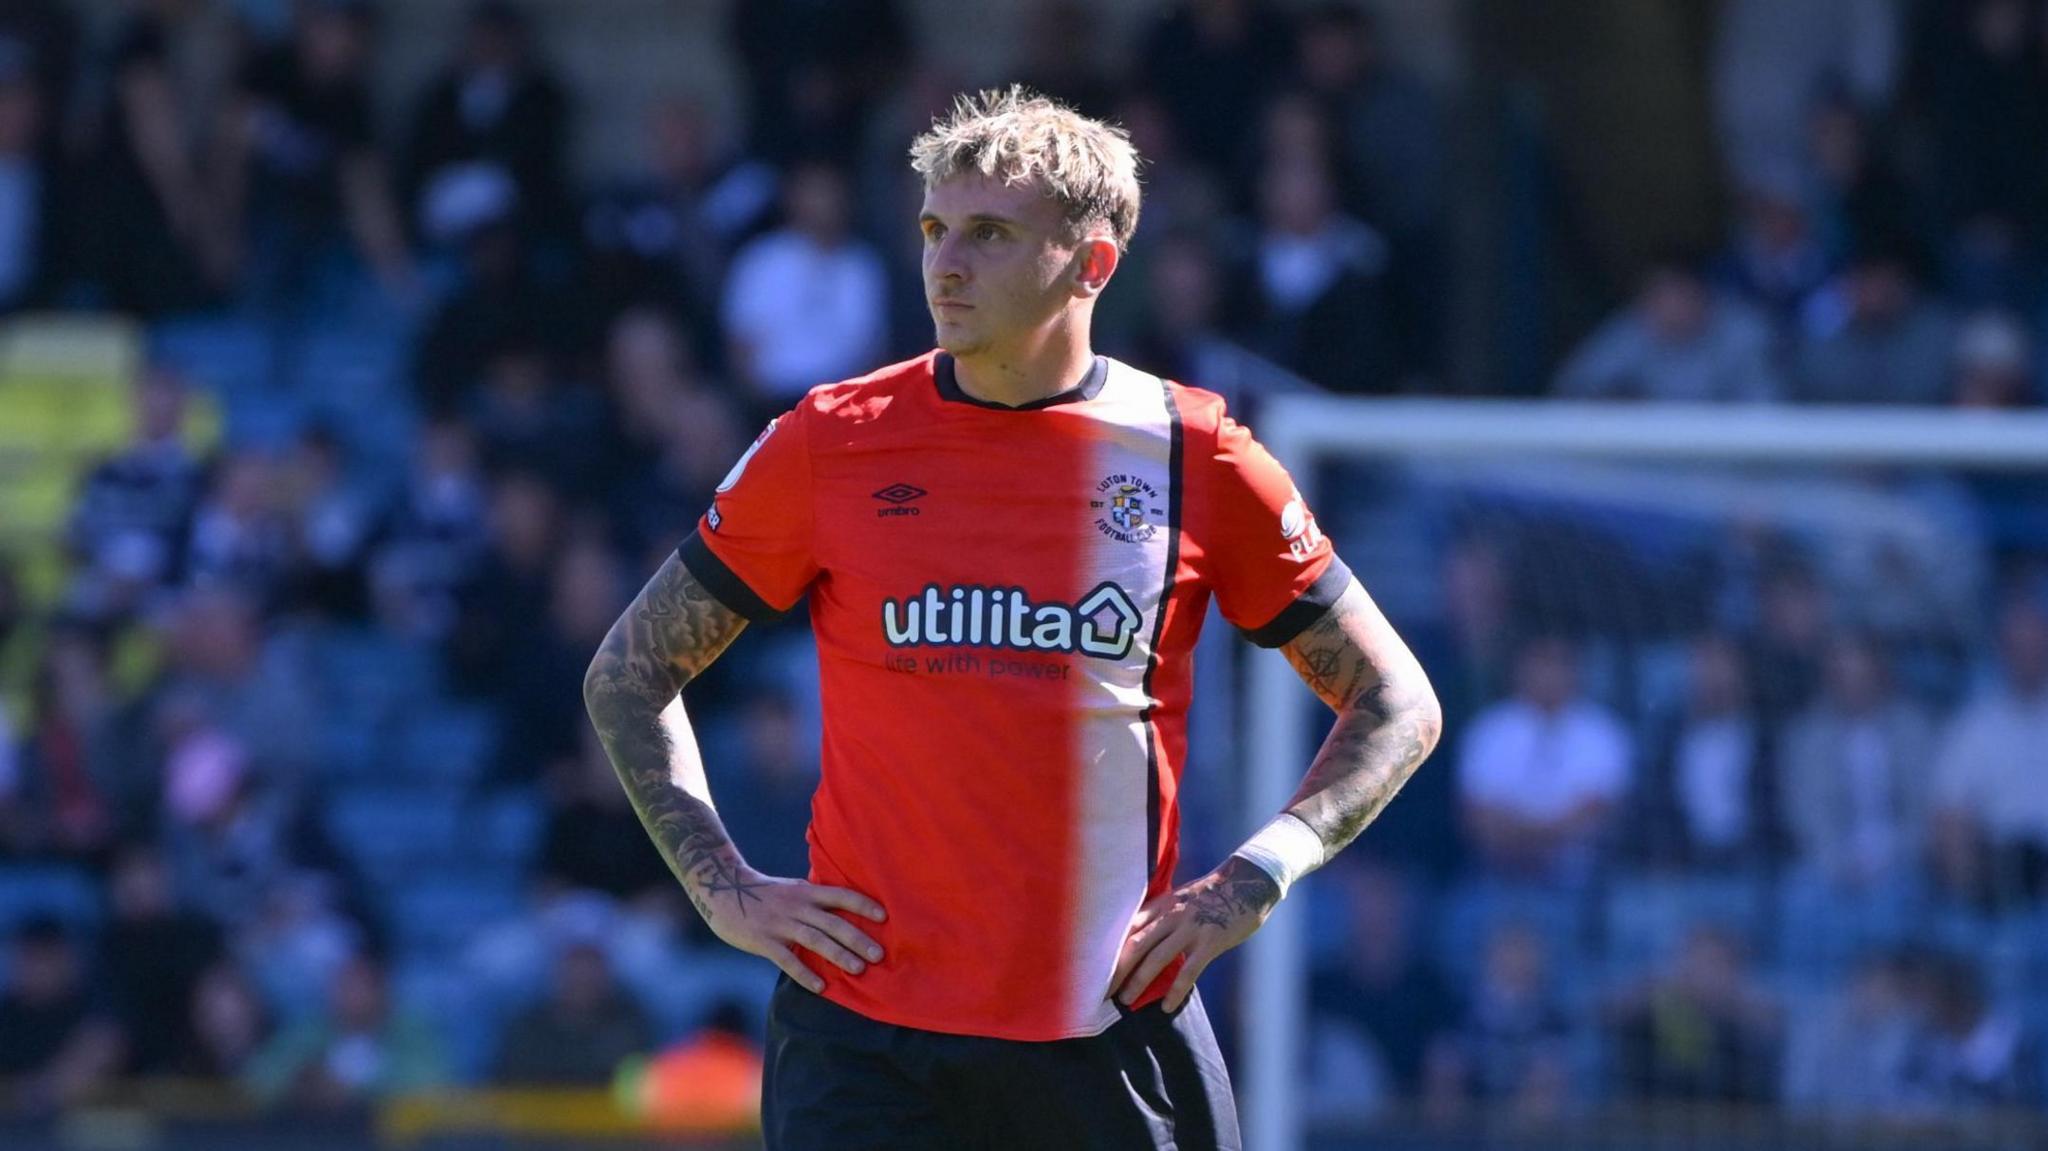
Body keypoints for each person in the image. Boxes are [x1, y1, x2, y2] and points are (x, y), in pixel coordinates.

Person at [584, 87, 1443, 1150]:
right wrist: (721, 889)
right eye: (934, 229)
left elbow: (1394, 698)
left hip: (1108, 1026)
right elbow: (627, 672)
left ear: (1090, 264)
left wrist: (1254, 874)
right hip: (862, 1039)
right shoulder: (828, 440)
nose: (945, 262)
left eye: (989, 234)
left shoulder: (1195, 455)